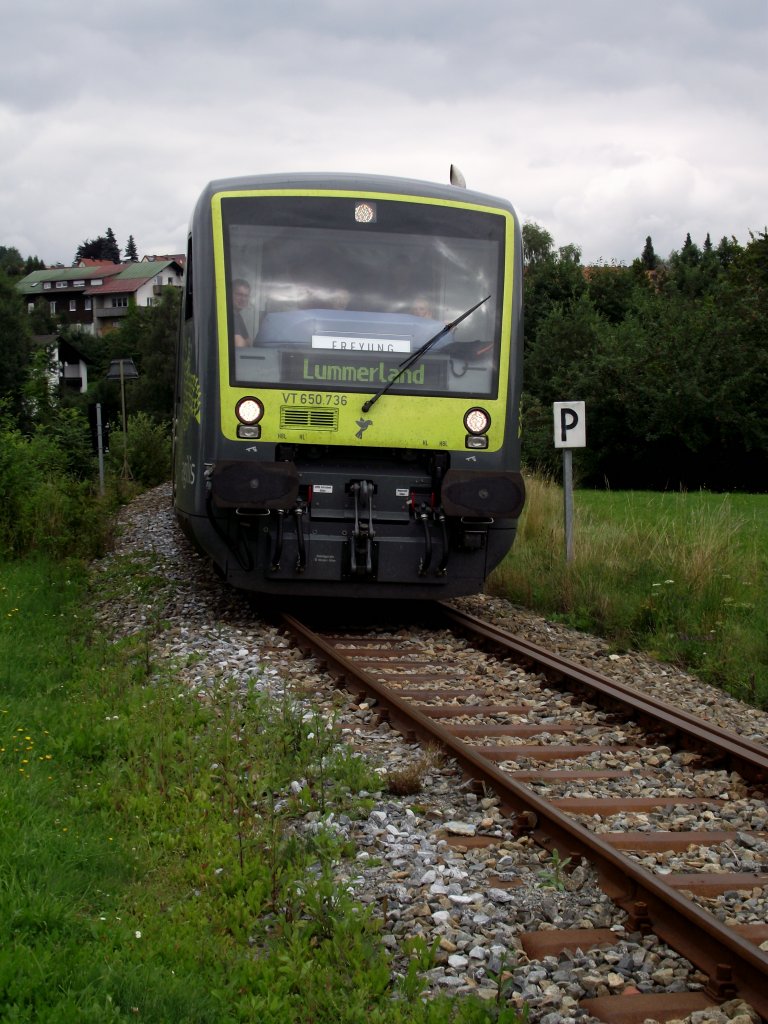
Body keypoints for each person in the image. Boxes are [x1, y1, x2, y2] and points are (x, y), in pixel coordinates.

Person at [232, 279, 252, 347]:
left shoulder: (237, 315)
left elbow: (249, 342)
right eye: (239, 294)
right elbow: (239, 344)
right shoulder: (229, 315)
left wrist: (245, 342)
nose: (243, 299)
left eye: (246, 296)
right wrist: (245, 342)